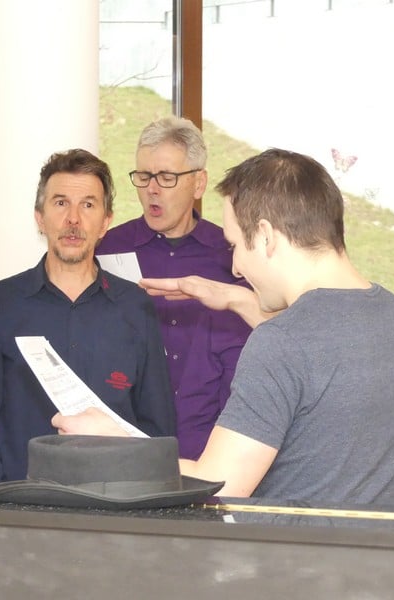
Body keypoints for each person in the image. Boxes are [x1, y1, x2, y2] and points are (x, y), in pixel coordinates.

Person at [54, 147, 394, 507]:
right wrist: (237, 299)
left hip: (288, 554)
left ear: (266, 236)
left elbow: (217, 484)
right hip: (381, 553)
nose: (235, 266)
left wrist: (114, 441)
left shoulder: (281, 343)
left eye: (235, 244)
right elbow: (320, 355)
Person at [0, 149, 175, 488]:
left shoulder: (135, 307)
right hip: (21, 503)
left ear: (105, 222)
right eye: (60, 203)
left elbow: (158, 428)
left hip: (115, 503)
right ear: (40, 218)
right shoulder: (1, 303)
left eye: (88, 205)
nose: (73, 219)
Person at [95, 116, 252, 459]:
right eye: (143, 176)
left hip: (214, 453)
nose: (152, 189)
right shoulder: (105, 251)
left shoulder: (233, 257)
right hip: (124, 452)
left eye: (166, 177)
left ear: (198, 183)